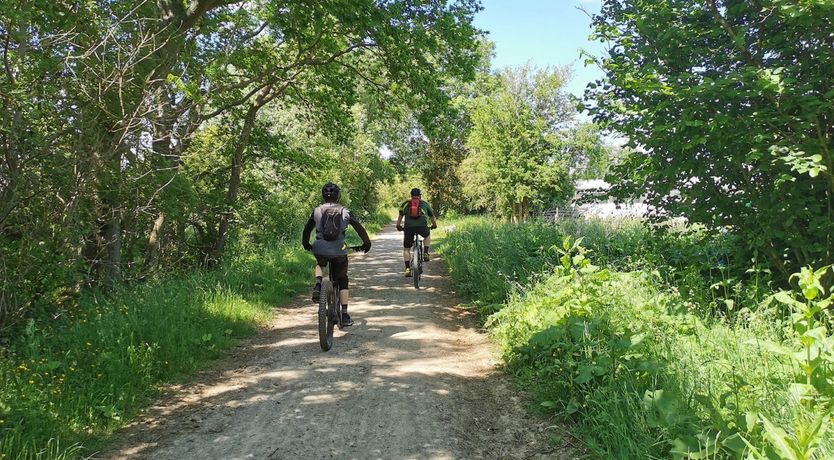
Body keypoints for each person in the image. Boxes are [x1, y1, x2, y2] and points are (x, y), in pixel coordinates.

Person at [302, 182, 371, 327]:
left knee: (320, 263)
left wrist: (306, 243)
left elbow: (307, 229)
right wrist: (366, 242)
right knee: (342, 279)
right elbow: (358, 227)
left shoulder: (317, 210)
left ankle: (318, 284)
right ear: (338, 196)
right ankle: (344, 315)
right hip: (339, 248)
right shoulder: (345, 211)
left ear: (323, 195)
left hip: (319, 248)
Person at [396, 188, 437, 277]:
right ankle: (425, 252)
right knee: (427, 235)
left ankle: (407, 269)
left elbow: (400, 216)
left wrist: (398, 226)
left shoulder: (405, 204)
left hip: (408, 228)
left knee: (406, 248)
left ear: (411, 195)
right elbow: (432, 217)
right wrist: (434, 225)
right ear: (420, 195)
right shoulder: (425, 204)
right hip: (422, 227)